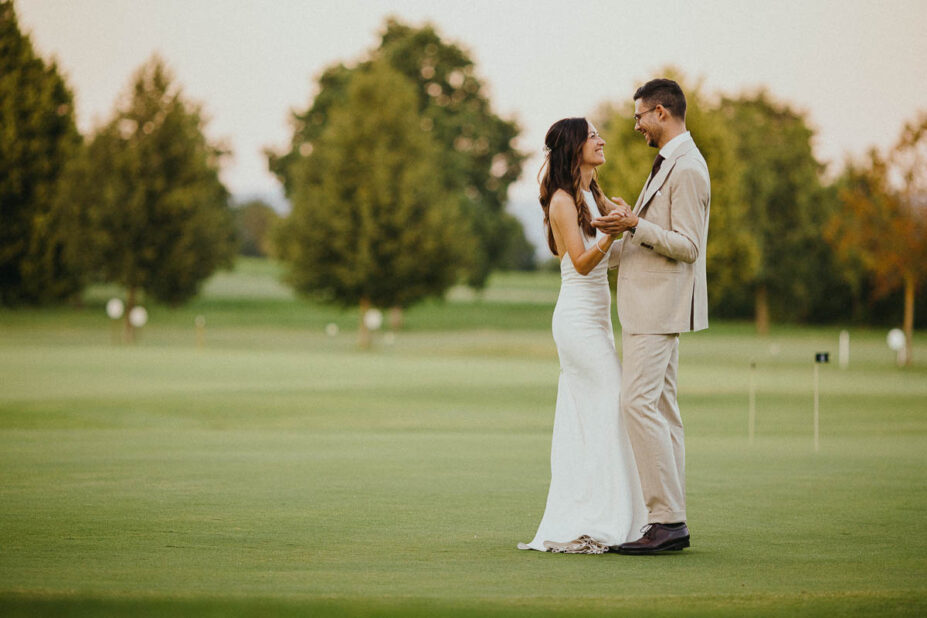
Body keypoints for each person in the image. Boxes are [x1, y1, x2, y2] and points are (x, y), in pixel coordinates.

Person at [593, 78, 711, 554]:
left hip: (657, 309)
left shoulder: (688, 168)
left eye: (639, 116)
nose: (636, 125)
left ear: (661, 112)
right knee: (661, 411)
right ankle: (668, 519)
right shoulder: (669, 162)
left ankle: (666, 521)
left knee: (637, 405)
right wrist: (624, 225)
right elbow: (651, 234)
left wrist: (635, 224)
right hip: (651, 307)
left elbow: (689, 246)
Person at [518, 117, 646, 554]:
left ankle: (616, 513)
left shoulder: (593, 195)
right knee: (612, 403)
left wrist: (629, 227)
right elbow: (582, 261)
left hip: (598, 320)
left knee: (603, 412)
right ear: (575, 147)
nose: (601, 140)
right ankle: (602, 517)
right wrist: (610, 236)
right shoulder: (561, 200)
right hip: (576, 321)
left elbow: (608, 257)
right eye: (593, 136)